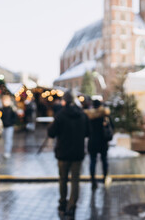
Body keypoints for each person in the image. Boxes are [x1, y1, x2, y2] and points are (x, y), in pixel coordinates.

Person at [48, 91, 89, 219]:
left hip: (63, 153)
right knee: (75, 181)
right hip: (77, 153)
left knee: (63, 180)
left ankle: (62, 203)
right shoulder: (82, 115)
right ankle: (72, 206)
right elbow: (88, 132)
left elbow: (51, 133)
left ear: (64, 101)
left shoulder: (60, 115)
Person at [84, 99, 112, 190]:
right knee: (104, 160)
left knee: (92, 161)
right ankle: (104, 178)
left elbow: (86, 131)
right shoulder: (105, 115)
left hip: (92, 142)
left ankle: (93, 181)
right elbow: (111, 126)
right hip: (103, 141)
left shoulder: (89, 116)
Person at [0, 95, 17, 159]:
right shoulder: (1, 109)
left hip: (9, 126)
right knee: (4, 139)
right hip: (3, 126)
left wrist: (11, 123)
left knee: (8, 139)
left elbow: (14, 117)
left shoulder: (12, 109)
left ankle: (7, 152)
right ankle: (5, 151)